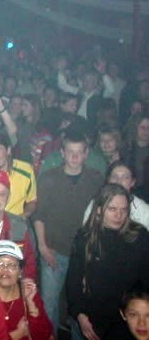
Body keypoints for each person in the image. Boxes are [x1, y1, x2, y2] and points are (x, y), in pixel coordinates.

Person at [33, 129, 105, 335]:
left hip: (85, 253)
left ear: (86, 154)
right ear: (62, 153)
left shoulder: (96, 179)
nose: (74, 157)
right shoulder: (48, 178)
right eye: (70, 152)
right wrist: (42, 246)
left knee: (80, 306)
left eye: (79, 152)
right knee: (49, 303)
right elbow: (39, 215)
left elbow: (101, 215)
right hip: (54, 250)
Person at [67, 183, 149, 339]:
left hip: (130, 319)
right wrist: (79, 314)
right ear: (98, 209)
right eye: (112, 209)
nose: (119, 215)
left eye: (123, 210)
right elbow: (73, 279)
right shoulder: (85, 237)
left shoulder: (140, 236)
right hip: (97, 317)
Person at [0, 240, 53, 340]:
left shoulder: (28, 293)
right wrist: (16, 335)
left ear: (20, 272)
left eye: (12, 265)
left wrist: (31, 306)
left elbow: (44, 336)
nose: (5, 269)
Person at [83, 160, 149, 230]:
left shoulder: (143, 210)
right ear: (108, 180)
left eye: (125, 178)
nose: (119, 182)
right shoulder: (96, 203)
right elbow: (87, 231)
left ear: (132, 182)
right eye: (114, 177)